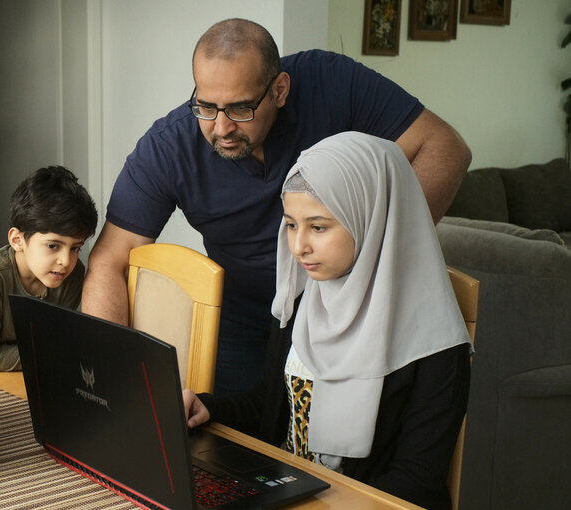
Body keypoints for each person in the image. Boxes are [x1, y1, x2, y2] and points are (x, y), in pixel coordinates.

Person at [81, 18, 471, 395]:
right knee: (238, 440)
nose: (221, 128)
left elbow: (445, 148)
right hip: (243, 314)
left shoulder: (330, 82)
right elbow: (109, 261)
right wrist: (114, 381)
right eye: (206, 106)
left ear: (280, 90)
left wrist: (375, 260)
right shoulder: (169, 147)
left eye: (239, 108)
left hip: (346, 300)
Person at [182, 132, 472, 510]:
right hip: (287, 492)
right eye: (290, 224)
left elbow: (415, 483)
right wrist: (211, 408)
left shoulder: (435, 344)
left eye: (318, 227)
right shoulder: (303, 301)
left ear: (371, 219)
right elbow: (273, 407)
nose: (298, 246)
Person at [0, 166, 98, 371]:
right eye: (53, 246)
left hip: (36, 372)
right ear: (17, 240)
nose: (65, 261)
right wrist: (52, 350)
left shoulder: (73, 274)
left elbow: (56, 339)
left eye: (75, 248)